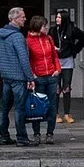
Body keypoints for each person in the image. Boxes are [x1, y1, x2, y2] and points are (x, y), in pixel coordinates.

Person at [0, 5, 37, 148]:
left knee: (4, 108)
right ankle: (22, 137)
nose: (25, 19)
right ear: (14, 18)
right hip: (18, 77)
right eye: (22, 17)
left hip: (6, 76)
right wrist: (30, 78)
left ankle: (4, 136)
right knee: (20, 109)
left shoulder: (1, 34)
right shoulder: (17, 37)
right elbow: (23, 59)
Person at [25, 14, 61, 145]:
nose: (46, 28)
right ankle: (36, 133)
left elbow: (54, 56)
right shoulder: (28, 41)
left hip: (51, 76)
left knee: (52, 105)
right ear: (38, 26)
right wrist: (32, 75)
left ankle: (50, 133)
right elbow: (28, 60)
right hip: (38, 77)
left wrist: (57, 70)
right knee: (37, 106)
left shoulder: (49, 39)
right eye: (44, 26)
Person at [51, 9, 84, 126]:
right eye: (56, 17)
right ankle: (55, 114)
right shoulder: (52, 30)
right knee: (56, 88)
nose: (57, 19)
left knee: (66, 87)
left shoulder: (71, 29)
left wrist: (75, 50)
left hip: (67, 61)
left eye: (59, 17)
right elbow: (48, 42)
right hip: (56, 61)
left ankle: (67, 113)